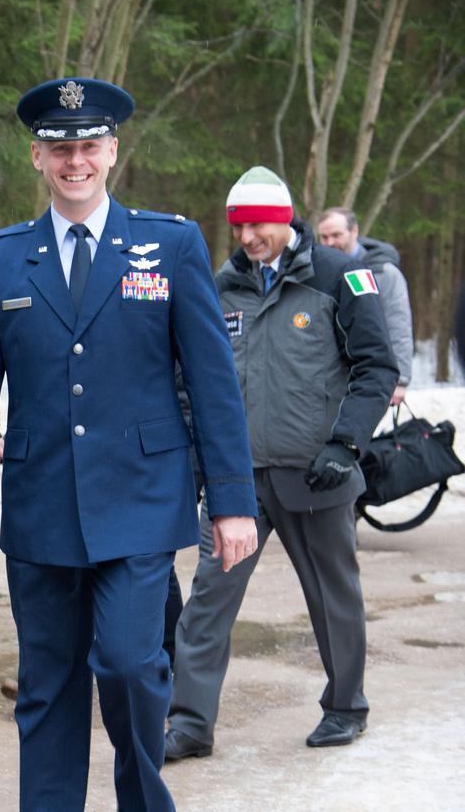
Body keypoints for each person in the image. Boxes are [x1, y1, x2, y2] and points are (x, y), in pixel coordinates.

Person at [0, 78, 259, 811]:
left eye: (87, 146)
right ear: (36, 157)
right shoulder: (1, 259)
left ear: (110, 152)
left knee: (128, 662)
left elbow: (211, 382)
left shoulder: (168, 244)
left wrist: (231, 498)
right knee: (46, 681)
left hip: (140, 499)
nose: (73, 160)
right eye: (59, 148)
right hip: (41, 500)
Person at [166, 167, 397, 762]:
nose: (248, 238)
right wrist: (197, 458)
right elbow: (191, 378)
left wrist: (343, 445)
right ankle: (189, 722)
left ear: (287, 217)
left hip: (317, 471)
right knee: (208, 600)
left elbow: (377, 369)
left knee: (332, 596)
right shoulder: (220, 286)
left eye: (259, 224)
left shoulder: (340, 277)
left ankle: (346, 707)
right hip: (236, 479)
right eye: (238, 226)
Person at [316, 207, 413, 404]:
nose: (330, 243)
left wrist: (400, 380)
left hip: (369, 377)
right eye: (324, 237)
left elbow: (399, 325)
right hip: (326, 381)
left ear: (354, 231)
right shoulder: (317, 273)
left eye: (336, 235)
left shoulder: (383, 273)